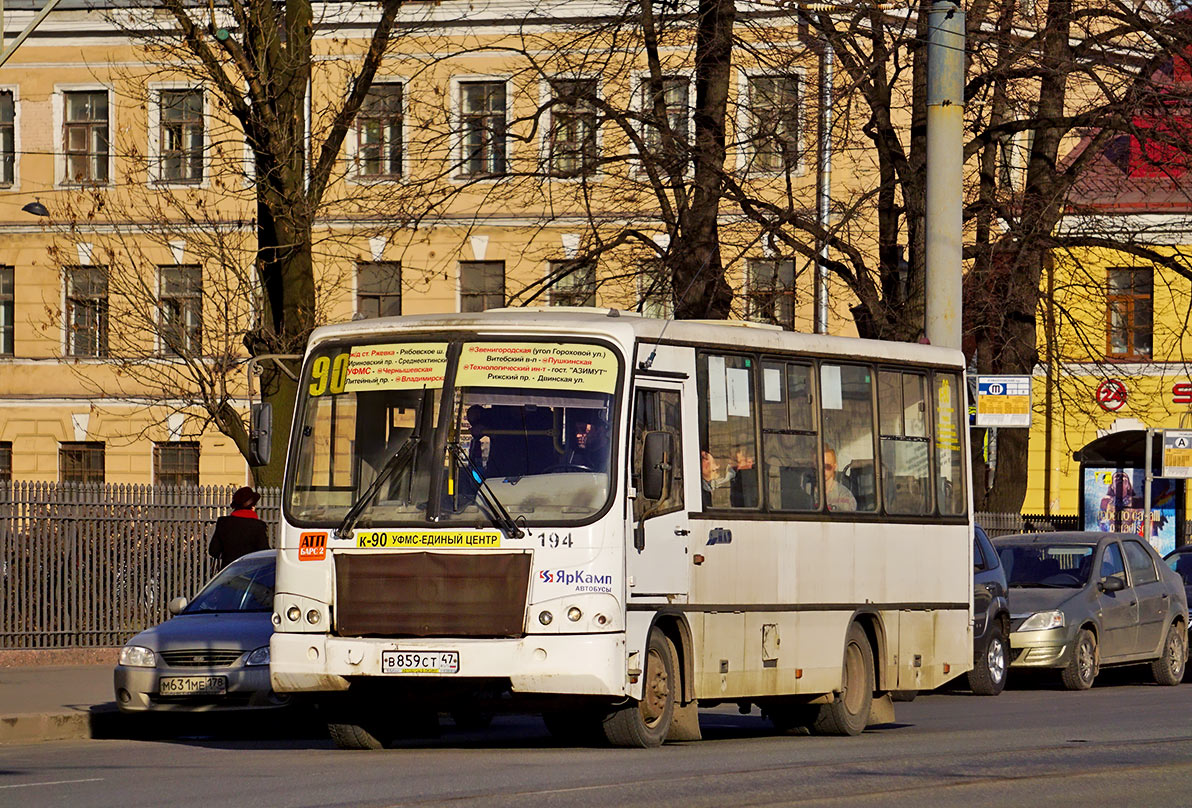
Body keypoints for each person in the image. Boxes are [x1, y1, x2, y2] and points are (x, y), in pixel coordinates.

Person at [208, 486, 269, 569]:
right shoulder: (258, 526)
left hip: (228, 571)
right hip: (249, 573)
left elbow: (213, 551)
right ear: (252, 506)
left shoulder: (223, 523)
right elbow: (264, 552)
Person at [823, 445, 856, 512]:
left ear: (834, 467)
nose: (823, 470)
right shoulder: (805, 492)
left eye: (827, 466)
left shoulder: (844, 495)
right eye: (818, 466)